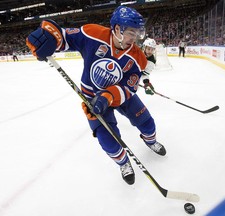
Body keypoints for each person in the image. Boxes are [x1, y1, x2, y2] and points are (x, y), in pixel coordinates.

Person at [26, 6, 166, 186]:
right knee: (107, 139)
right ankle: (124, 163)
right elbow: (64, 36)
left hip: (119, 95)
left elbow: (130, 87)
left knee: (147, 122)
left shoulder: (139, 58)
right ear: (117, 29)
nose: (136, 38)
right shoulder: (92, 33)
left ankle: (151, 141)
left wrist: (108, 96)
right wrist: (50, 37)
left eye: (139, 32)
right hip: (92, 96)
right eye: (132, 32)